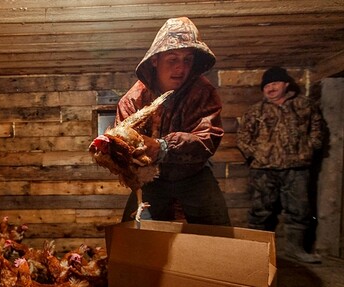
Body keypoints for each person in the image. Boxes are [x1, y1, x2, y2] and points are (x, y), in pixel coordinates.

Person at [116, 17, 231, 226]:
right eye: (172, 59)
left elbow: (207, 138)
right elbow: (121, 144)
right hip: (151, 178)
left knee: (219, 234)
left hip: (194, 175)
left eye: (187, 60)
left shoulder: (202, 92)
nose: (181, 68)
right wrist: (119, 154)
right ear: (155, 60)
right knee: (131, 231)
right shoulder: (133, 100)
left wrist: (163, 146)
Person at [237, 66, 325, 263]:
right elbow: (243, 137)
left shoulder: (304, 105)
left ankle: (296, 250)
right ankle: (256, 253)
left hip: (296, 167)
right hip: (263, 169)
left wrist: (309, 149)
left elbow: (317, 130)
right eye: (267, 85)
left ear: (286, 84)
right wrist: (255, 155)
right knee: (260, 211)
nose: (271, 88)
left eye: (275, 83)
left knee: (299, 210)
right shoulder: (256, 111)